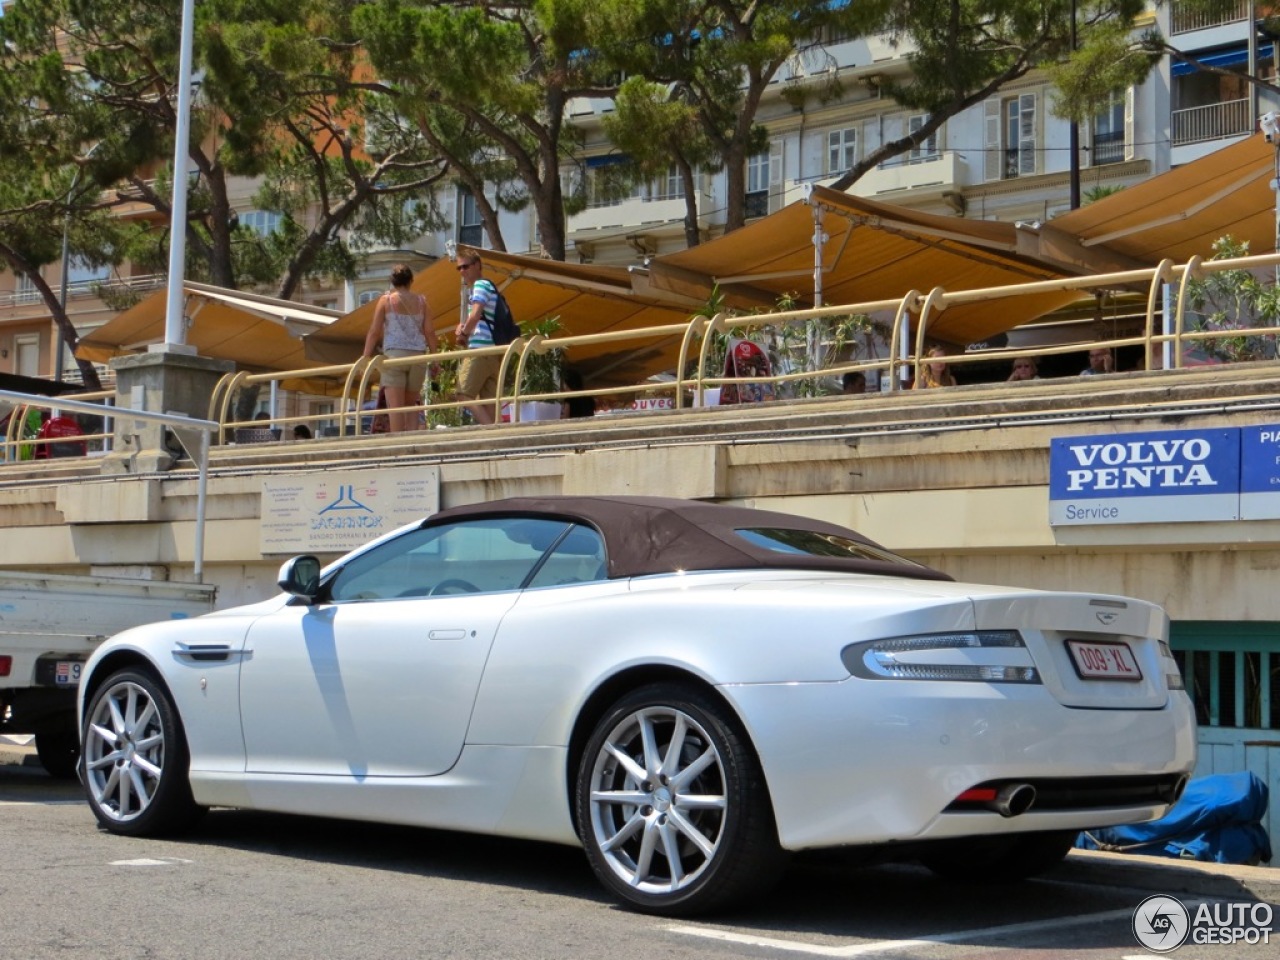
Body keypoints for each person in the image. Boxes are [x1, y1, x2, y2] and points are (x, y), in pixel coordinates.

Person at [363, 264, 437, 433]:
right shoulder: (422, 302)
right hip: (417, 357)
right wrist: (434, 358)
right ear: (411, 281)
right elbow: (430, 332)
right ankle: (412, 443)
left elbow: (374, 331)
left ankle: (399, 445)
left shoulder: (386, 300)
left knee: (395, 408)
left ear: (392, 282)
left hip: (394, 357)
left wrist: (365, 358)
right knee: (411, 405)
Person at [453, 251, 503, 425]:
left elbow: (475, 314)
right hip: (493, 351)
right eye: (459, 268)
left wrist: (464, 334)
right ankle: (497, 438)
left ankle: (489, 430)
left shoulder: (480, 285)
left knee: (463, 393)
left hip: (480, 350)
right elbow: (477, 318)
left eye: (465, 266)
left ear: (477, 265)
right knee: (490, 404)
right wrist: (464, 328)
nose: (462, 271)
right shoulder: (489, 286)